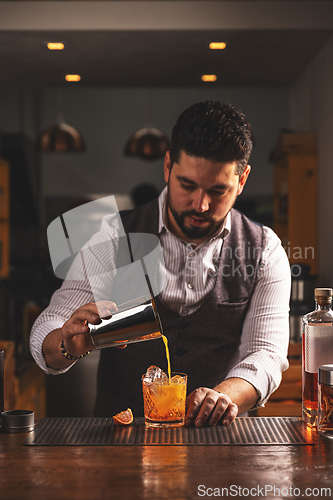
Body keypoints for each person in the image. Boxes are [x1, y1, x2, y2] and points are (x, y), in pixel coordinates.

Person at [30, 101, 291, 427]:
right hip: (119, 443)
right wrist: (67, 345)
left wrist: (224, 395)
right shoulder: (115, 234)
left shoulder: (264, 249)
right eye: (188, 185)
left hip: (217, 442)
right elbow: (48, 326)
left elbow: (266, 353)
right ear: (168, 166)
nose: (201, 204)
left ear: (242, 180)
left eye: (218, 190)